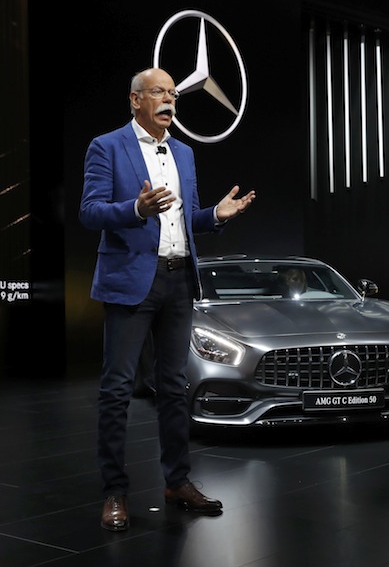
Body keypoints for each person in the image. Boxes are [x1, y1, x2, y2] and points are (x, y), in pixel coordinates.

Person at [79, 67, 256, 532]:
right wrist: (135, 208)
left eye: (174, 93)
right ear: (136, 100)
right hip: (131, 281)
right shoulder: (107, 146)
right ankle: (114, 492)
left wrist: (215, 214)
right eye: (159, 92)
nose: (169, 100)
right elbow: (90, 211)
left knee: (175, 386)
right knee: (117, 389)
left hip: (179, 280)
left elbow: (184, 218)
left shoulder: (184, 152)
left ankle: (177, 481)